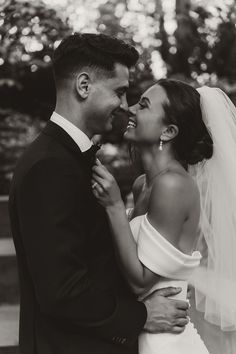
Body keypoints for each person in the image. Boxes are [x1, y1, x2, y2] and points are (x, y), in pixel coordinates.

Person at [8, 35, 189, 354]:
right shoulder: (49, 166)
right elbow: (62, 291)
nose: (124, 105)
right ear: (84, 85)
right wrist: (143, 315)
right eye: (119, 92)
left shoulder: (67, 157)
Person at [92, 79, 236, 353]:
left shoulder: (174, 186)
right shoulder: (142, 184)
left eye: (143, 105)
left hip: (166, 341)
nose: (130, 108)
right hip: (144, 330)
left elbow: (140, 280)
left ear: (168, 131)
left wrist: (113, 207)